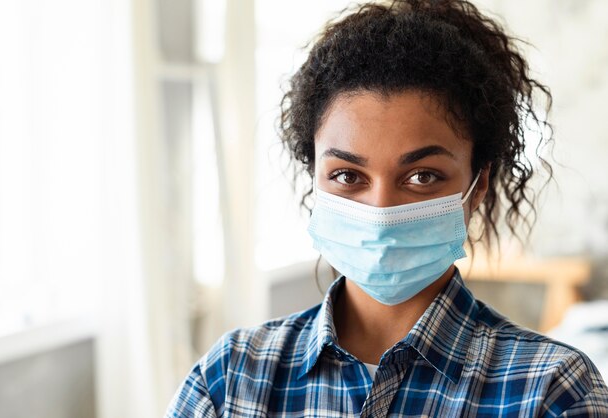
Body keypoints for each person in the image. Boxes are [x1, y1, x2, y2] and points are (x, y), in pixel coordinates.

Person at [165, 0, 608, 416]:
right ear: (314, 177)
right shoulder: (228, 381)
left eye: (422, 177)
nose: (380, 210)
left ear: (478, 187)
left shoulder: (551, 391)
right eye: (347, 175)